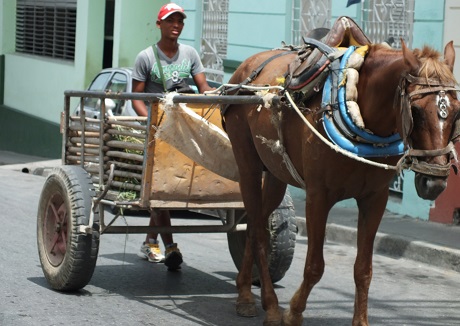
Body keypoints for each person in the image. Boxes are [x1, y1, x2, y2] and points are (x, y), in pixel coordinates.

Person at [131, 3, 215, 270]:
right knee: (163, 189)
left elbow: (203, 87)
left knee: (166, 190)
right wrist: (152, 125)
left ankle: (149, 241)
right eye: (171, 21)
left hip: (185, 129)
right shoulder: (146, 57)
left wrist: (218, 99)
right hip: (159, 131)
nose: (176, 25)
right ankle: (170, 246)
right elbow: (136, 98)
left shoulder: (190, 54)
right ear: (160, 25)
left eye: (180, 21)